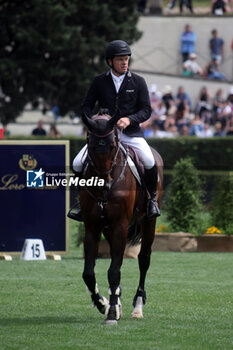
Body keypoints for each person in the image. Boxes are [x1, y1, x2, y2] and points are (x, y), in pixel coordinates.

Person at [68, 40, 160, 221]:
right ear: (110, 62)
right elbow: (86, 106)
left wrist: (129, 119)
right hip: (104, 136)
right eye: (120, 60)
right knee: (77, 163)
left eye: (126, 59)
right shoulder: (99, 81)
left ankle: (152, 201)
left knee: (149, 160)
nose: (124, 63)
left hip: (130, 133)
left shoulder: (138, 81)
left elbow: (146, 110)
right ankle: (82, 203)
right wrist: (93, 122)